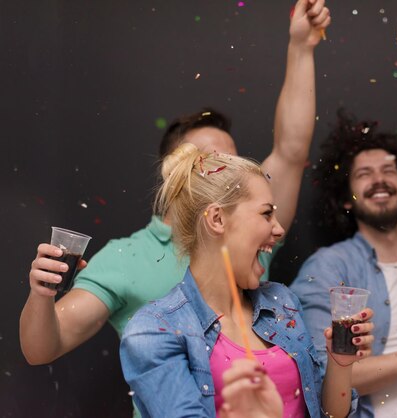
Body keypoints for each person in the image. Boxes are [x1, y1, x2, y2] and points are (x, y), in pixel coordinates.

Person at [21, 0, 328, 364]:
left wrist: (301, 48)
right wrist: (41, 293)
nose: (229, 173)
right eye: (214, 163)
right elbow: (42, 349)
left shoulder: (250, 232)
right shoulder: (127, 258)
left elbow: (291, 150)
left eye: (233, 162)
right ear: (176, 171)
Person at [120, 142, 374, 418]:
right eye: (266, 213)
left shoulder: (281, 303)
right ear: (217, 219)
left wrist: (340, 364)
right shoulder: (154, 330)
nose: (278, 229)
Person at [290, 109, 397, 417]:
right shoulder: (330, 266)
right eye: (364, 174)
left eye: (388, 171)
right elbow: (321, 377)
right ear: (347, 198)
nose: (379, 180)